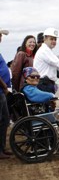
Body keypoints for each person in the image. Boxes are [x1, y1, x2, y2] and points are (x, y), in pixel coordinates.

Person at [0, 28, 12, 159]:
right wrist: (4, 87)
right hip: (0, 91)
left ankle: (2, 148)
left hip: (2, 91)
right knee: (1, 120)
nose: (1, 38)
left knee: (5, 120)